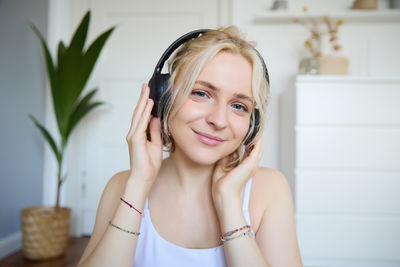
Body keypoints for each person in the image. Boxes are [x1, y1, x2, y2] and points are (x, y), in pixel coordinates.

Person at [78, 26, 303, 267]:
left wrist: (228, 203)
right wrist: (139, 184)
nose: (218, 120)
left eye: (239, 106)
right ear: (162, 98)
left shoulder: (270, 189)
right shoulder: (122, 186)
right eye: (201, 93)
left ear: (252, 123)